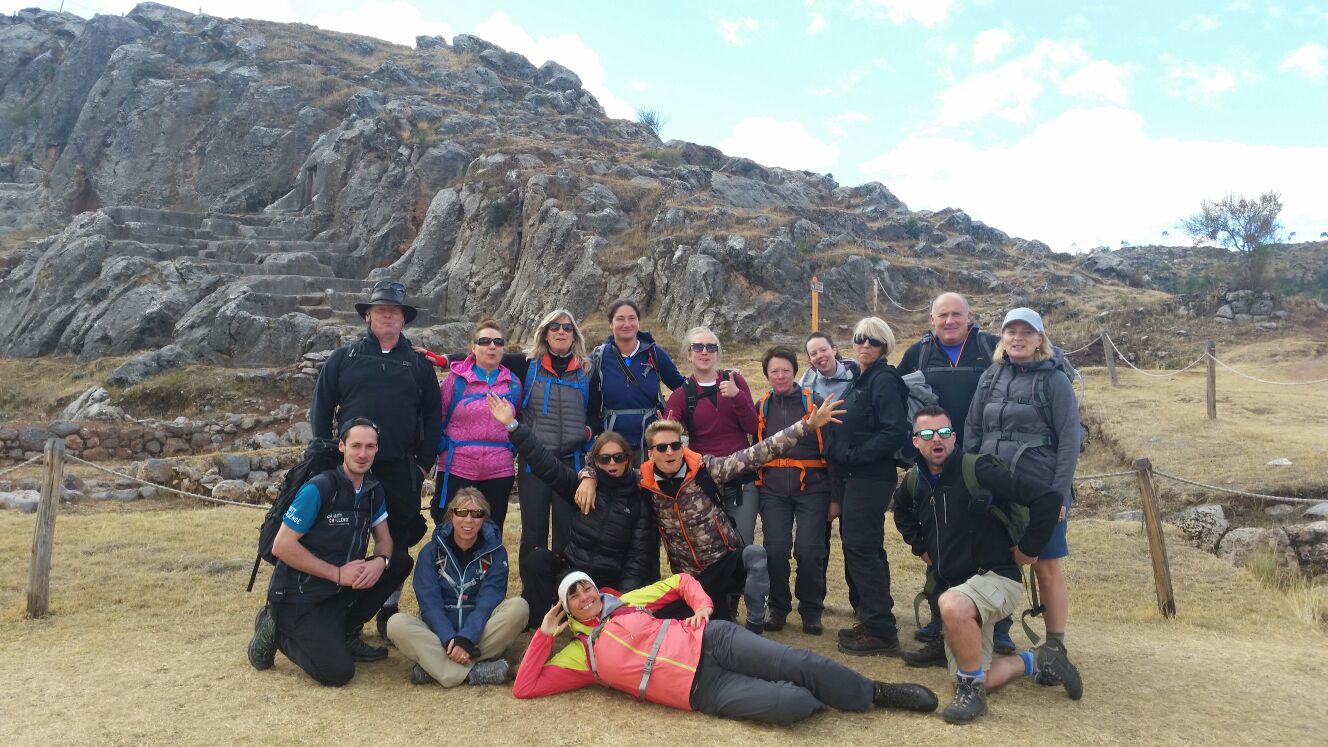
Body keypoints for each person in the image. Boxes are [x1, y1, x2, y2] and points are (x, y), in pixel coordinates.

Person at [512, 571, 938, 724]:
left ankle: (876, 693)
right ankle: (821, 695)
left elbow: (680, 579)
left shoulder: (626, 601)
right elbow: (526, 687)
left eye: (586, 587)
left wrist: (702, 606)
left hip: (712, 640)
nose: (586, 596)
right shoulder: (580, 655)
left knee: (795, 660)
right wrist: (545, 635)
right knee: (785, 705)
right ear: (566, 607)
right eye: (575, 595)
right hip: (699, 692)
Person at [578, 396, 844, 634]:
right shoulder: (643, 482)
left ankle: (754, 624)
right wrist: (588, 475)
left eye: (674, 445)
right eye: (661, 448)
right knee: (689, 627)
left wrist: (807, 425)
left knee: (754, 555)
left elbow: (759, 452)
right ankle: (725, 615)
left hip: (724, 563)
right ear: (650, 453)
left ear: (683, 447)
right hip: (690, 581)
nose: (669, 452)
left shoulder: (708, 469)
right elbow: (607, 470)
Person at [893, 406, 1082, 724]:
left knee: (950, 604)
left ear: (954, 438)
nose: (935, 439)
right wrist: (920, 547)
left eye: (943, 432)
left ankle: (971, 698)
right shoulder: (915, 481)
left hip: (998, 579)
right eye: (926, 434)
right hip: (960, 590)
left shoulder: (978, 469)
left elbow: (1047, 499)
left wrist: (1029, 549)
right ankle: (1039, 660)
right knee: (972, 676)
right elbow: (900, 510)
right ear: (915, 442)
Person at [309, 280, 441, 636]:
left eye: (394, 311)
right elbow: (321, 409)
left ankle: (387, 609)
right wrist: (325, 457)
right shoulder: (343, 359)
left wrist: (422, 464)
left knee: (397, 539)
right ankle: (337, 605)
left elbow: (432, 419)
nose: (387, 316)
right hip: (349, 468)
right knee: (343, 535)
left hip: (401, 468)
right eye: (381, 310)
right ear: (368, 316)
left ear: (403, 320)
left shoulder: (418, 366)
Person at [417, 309, 593, 570]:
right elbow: (482, 357)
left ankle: (564, 590)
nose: (561, 331)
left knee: (565, 531)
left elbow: (596, 410)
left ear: (575, 334)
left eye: (567, 328)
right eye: (554, 326)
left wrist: (587, 433)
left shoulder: (587, 370)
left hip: (567, 460)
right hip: (532, 461)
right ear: (544, 333)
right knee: (532, 531)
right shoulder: (527, 364)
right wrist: (443, 361)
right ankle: (530, 594)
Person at [246, 418, 414, 686]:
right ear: (342, 446)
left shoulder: (373, 490)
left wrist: (380, 562)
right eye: (356, 445)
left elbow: (384, 541)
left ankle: (345, 631)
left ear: (377, 450)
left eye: (370, 447)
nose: (362, 453)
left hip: (339, 589)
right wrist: (337, 574)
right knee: (338, 673)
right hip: (300, 596)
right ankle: (275, 627)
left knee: (399, 562)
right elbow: (282, 546)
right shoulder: (320, 488)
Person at [965, 307, 1083, 690]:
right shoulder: (990, 376)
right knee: (992, 563)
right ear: (1002, 337)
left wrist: (1061, 493)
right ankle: (990, 638)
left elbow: (1069, 441)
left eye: (1025, 332)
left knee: (1045, 568)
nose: (1017, 338)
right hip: (995, 487)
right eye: (1010, 331)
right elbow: (972, 427)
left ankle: (1056, 649)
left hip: (1040, 490)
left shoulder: (1056, 382)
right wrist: (970, 475)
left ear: (1039, 339)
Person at [486, 393, 656, 629]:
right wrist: (513, 426)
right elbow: (545, 463)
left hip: (606, 581)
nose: (613, 464)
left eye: (619, 457)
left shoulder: (638, 499)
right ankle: (539, 623)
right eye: (605, 459)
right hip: (572, 571)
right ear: (595, 462)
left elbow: (637, 559)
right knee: (537, 558)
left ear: (628, 459)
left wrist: (624, 603)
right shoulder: (583, 488)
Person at [895, 292, 1001, 651]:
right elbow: (897, 396)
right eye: (943, 315)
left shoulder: (991, 348)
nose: (950, 321)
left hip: (979, 462)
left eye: (957, 314)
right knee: (939, 537)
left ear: (970, 317)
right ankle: (941, 616)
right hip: (934, 462)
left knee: (988, 538)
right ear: (932, 320)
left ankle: (998, 625)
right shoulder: (917, 354)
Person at [386, 488, 528, 687]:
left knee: (519, 608)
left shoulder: (496, 553)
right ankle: (475, 672)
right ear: (451, 515)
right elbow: (430, 604)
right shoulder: (431, 552)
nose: (468, 520)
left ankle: (434, 668)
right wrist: (450, 639)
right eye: (462, 512)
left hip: (479, 634)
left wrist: (467, 638)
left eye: (476, 514)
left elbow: (488, 601)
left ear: (484, 519)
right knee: (395, 623)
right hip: (439, 635)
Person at [830, 317, 910, 656]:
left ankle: (881, 631)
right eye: (861, 338)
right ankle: (873, 616)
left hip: (870, 477)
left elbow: (894, 432)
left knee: (862, 548)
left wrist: (854, 455)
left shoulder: (885, 380)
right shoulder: (859, 379)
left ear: (885, 347)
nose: (865, 345)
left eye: (874, 342)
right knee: (863, 547)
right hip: (855, 478)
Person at [754, 346, 830, 635]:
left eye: (785, 369)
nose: (780, 375)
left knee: (810, 551)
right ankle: (778, 607)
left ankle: (811, 610)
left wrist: (834, 497)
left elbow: (831, 450)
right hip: (772, 490)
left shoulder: (814, 402)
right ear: (767, 374)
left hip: (813, 488)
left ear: (795, 371)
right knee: (774, 550)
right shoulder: (761, 407)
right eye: (774, 370)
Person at [663, 326, 759, 546]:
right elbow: (668, 430)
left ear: (717, 352)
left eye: (710, 347)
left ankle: (743, 582)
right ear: (689, 353)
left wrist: (737, 397)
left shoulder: (736, 381)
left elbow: (753, 427)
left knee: (742, 543)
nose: (704, 351)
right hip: (705, 481)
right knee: (712, 546)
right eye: (697, 347)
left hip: (742, 478)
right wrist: (667, 425)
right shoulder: (681, 394)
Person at [430, 318, 521, 530]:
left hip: (499, 469)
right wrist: (440, 447)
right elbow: (438, 416)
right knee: (449, 526)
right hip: (457, 466)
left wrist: (512, 449)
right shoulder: (456, 380)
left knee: (491, 528)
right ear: (473, 347)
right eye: (485, 341)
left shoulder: (514, 383)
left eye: (498, 342)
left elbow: (520, 420)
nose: (492, 346)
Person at [588, 299, 686, 460]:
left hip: (651, 442)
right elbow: (580, 389)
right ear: (610, 324)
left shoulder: (655, 354)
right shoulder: (598, 356)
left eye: (632, 318)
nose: (627, 324)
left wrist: (672, 418)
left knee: (649, 484)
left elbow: (681, 387)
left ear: (638, 322)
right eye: (620, 319)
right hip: (612, 443)